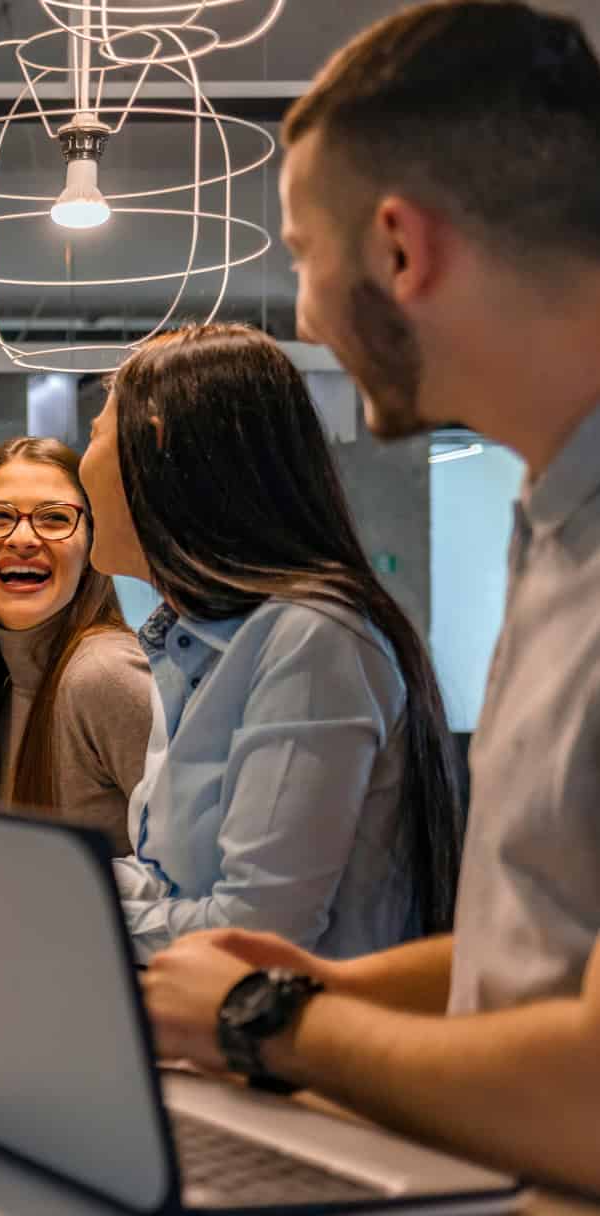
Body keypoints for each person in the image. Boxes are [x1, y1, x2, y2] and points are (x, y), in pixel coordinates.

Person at [140, 1, 600, 1194]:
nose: (300, 311)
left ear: (398, 249)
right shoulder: (555, 518)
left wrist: (264, 1019)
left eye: (301, 254)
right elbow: (542, 942)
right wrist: (327, 991)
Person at [78, 322, 463, 962]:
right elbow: (171, 882)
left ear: (154, 447)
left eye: (94, 433)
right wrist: (52, 884)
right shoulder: (193, 644)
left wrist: (72, 918)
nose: (80, 463)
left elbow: (259, 932)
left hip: (308, 1055)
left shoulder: (313, 639)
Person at [0, 437, 151, 850]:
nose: (21, 537)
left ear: (91, 548)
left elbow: (197, 872)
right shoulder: (1, 678)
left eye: (55, 519)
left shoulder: (105, 675)